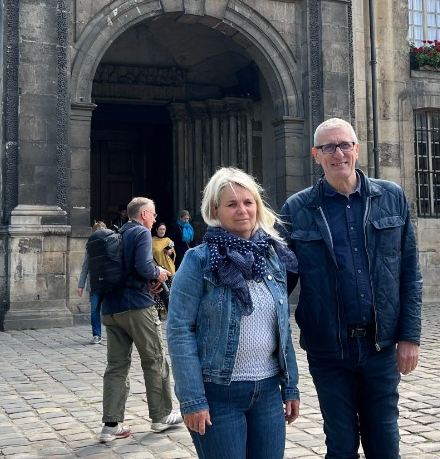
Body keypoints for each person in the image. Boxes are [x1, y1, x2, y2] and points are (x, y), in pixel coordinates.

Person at [280, 117, 422, 459]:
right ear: (316, 155)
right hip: (329, 349)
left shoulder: (391, 197)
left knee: (384, 443)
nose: (337, 153)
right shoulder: (297, 209)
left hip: (381, 345)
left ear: (357, 149)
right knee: (340, 444)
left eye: (344, 144)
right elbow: (279, 283)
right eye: (328, 147)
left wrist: (410, 337)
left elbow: (409, 272)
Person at [167, 167, 301, 458]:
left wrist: (290, 386)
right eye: (231, 204)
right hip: (217, 395)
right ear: (215, 210)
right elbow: (179, 331)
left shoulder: (273, 256)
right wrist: (192, 400)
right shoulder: (198, 260)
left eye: (248, 202)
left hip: (267, 393)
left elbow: (282, 327)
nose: (242, 210)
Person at [97, 196, 183, 442]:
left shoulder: (117, 234)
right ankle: (161, 416)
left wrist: (149, 279)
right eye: (153, 214)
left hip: (111, 309)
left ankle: (111, 425)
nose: (155, 219)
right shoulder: (142, 233)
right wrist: (160, 273)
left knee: (116, 366)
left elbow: (128, 269)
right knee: (154, 359)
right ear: (144, 214)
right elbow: (145, 266)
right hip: (136, 307)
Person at [77, 221, 107, 344]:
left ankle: (114, 334)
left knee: (110, 310)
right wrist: (81, 285)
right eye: (98, 231)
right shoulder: (90, 247)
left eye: (103, 230)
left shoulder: (111, 244)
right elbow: (85, 267)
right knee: (94, 309)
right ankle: (97, 335)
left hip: (108, 282)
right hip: (94, 283)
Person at [151, 222, 176, 319]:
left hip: (168, 268)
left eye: (164, 229)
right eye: (160, 229)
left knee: (169, 292)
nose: (162, 231)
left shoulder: (168, 240)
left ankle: (168, 311)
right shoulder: (152, 240)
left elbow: (173, 254)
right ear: (156, 230)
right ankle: (158, 313)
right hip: (157, 269)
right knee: (159, 290)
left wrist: (169, 252)